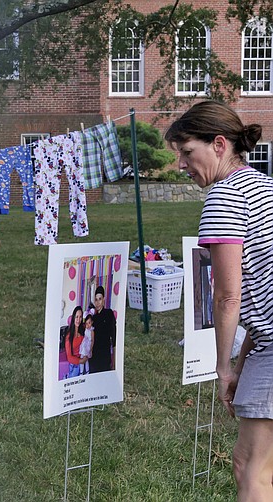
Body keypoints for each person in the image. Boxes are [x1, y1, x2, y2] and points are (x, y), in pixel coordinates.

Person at [166, 100, 273, 501]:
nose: (181, 164)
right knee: (257, 467)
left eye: (187, 152)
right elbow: (264, 293)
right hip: (266, 343)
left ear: (219, 144)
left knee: (252, 472)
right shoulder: (265, 187)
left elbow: (228, 296)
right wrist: (245, 361)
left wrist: (223, 367)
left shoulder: (224, 197)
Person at [90, 285, 116, 373]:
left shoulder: (109, 313)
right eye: (96, 300)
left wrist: (114, 359)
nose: (98, 303)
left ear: (104, 299)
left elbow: (114, 337)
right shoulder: (93, 318)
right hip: (94, 357)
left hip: (105, 356)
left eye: (100, 299)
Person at [64, 305, 85, 378]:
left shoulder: (83, 331)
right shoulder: (69, 336)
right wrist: (81, 361)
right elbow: (69, 357)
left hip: (83, 363)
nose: (78, 320)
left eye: (80, 317)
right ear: (73, 318)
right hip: (74, 364)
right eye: (76, 317)